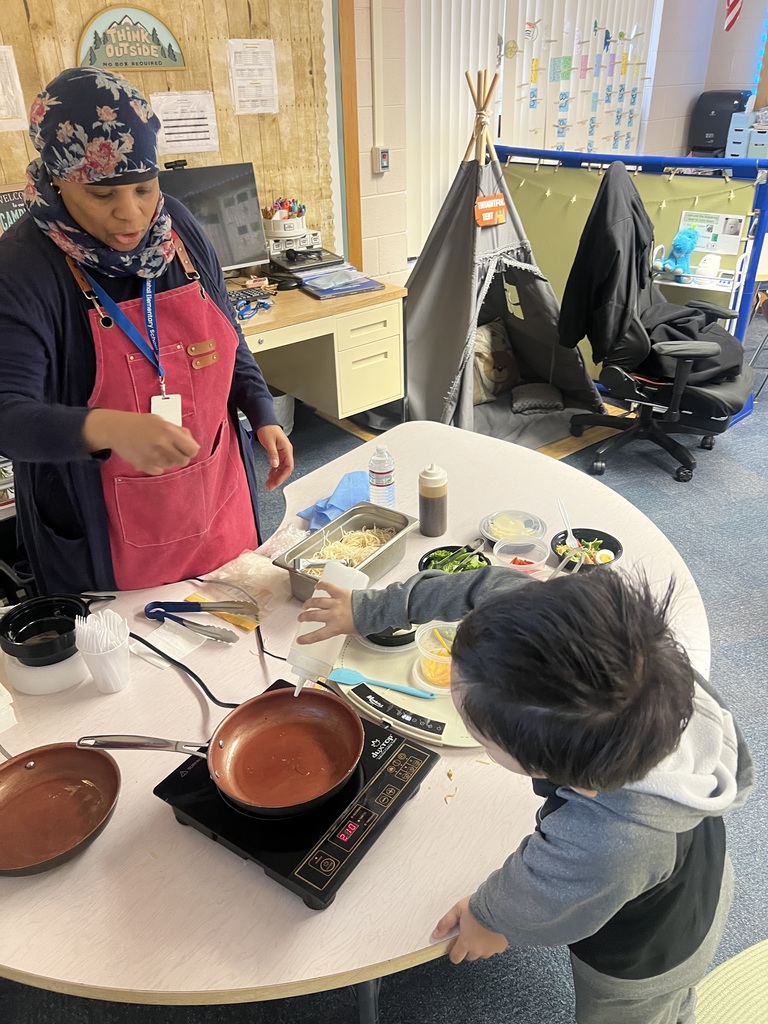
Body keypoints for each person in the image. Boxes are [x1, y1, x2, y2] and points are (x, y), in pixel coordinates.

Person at [295, 565, 753, 1024]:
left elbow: (540, 891)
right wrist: (370, 609)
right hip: (695, 861)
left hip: (648, 952)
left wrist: (488, 916)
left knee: (641, 1014)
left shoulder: (610, 838)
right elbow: (481, 586)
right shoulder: (583, 645)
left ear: (571, 780)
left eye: (482, 737)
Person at [0, 68, 293, 595]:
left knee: (239, 637)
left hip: (215, 488)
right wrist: (108, 429)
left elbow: (227, 335)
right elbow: (7, 416)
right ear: (56, 178)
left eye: (144, 187)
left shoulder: (175, 228)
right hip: (102, 533)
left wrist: (260, 408)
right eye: (102, 194)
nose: (130, 214)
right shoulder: (22, 268)